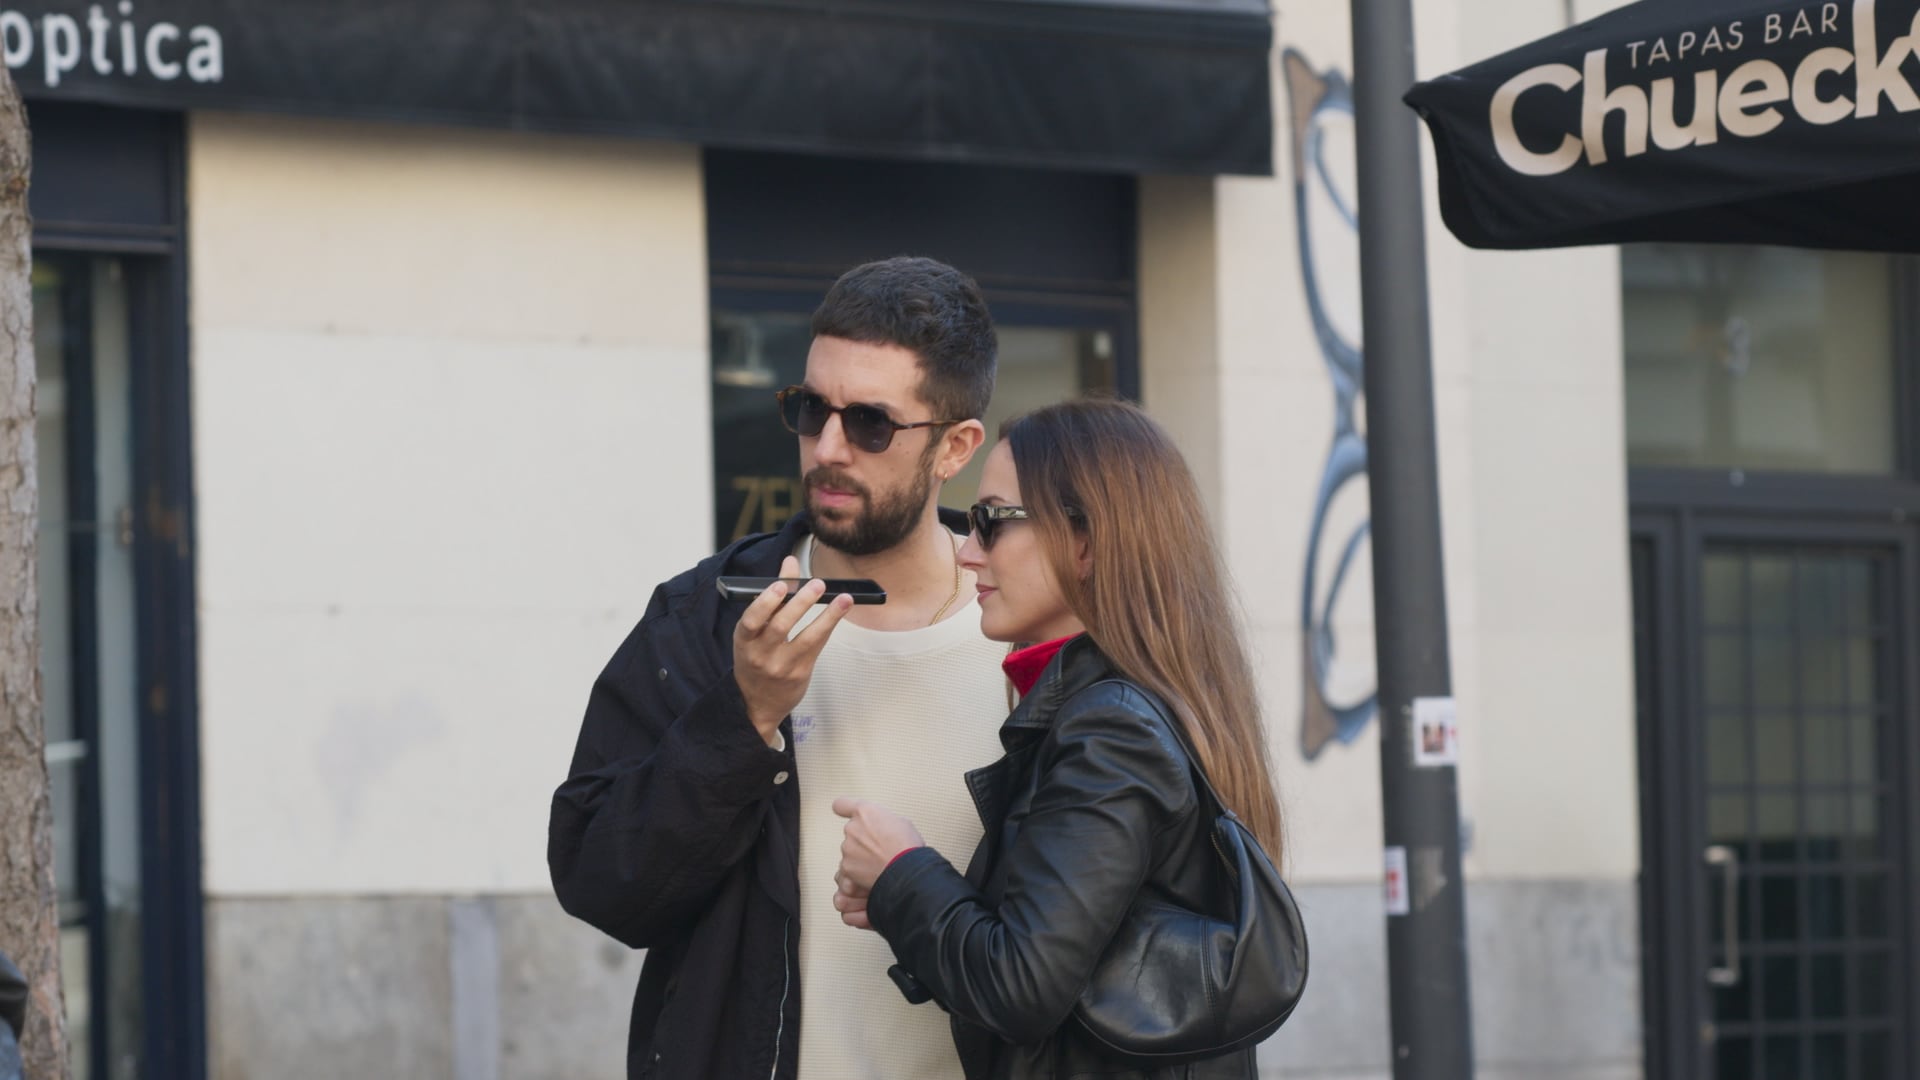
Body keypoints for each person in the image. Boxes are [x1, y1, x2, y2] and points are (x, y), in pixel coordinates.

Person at [549, 256, 1013, 1080]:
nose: (828, 448)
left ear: (955, 448)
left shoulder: (1031, 637)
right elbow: (601, 884)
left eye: (871, 423)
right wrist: (743, 715)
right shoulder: (706, 615)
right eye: (810, 410)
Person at [830, 398, 1287, 1080]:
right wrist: (910, 900)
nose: (965, 550)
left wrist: (904, 870)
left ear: (1087, 541)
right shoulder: (1126, 707)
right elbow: (1065, 958)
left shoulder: (1111, 728)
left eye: (990, 522)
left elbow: (1021, 988)